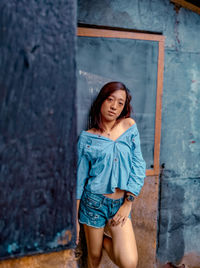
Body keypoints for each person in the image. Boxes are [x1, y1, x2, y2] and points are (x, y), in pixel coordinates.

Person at [76, 81, 146, 268]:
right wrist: (75, 220)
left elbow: (138, 164)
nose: (114, 106)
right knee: (94, 258)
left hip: (119, 204)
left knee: (129, 263)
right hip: (93, 203)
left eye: (120, 103)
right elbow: (79, 179)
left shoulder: (129, 127)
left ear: (124, 107)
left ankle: (103, 239)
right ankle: (97, 242)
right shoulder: (87, 138)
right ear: (101, 101)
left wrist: (128, 203)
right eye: (110, 100)